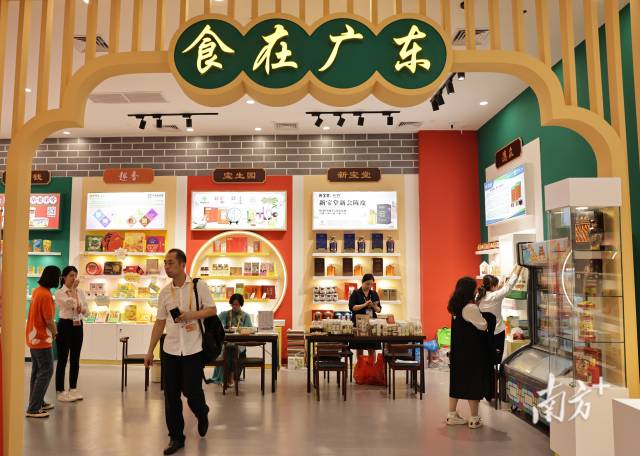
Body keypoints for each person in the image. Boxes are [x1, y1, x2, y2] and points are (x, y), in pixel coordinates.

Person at [143, 249, 217, 455]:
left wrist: (190, 315)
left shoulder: (198, 286)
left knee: (192, 391)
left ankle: (202, 411)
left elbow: (212, 310)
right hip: (170, 350)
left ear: (183, 264)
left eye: (171, 263)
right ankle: (176, 437)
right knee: (171, 397)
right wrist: (150, 351)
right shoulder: (165, 292)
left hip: (194, 349)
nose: (167, 267)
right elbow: (159, 322)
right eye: (165, 263)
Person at [446, 276, 492, 430]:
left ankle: (452, 414)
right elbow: (483, 326)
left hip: (459, 351)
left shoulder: (455, 306)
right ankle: (474, 418)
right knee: (473, 382)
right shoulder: (470, 308)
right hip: (472, 352)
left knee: (457, 382)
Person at [26, 265, 61, 418]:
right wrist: (55, 332)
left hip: (33, 337)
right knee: (46, 371)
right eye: (58, 276)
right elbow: (48, 320)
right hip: (42, 338)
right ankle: (33, 408)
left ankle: (37, 401)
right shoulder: (46, 295)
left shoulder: (37, 291)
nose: (59, 279)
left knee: (37, 371)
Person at [54, 266, 88, 403]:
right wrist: (73, 291)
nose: (74, 278)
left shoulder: (81, 291)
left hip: (78, 325)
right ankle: (60, 390)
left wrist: (80, 306)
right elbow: (72, 305)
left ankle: (73, 388)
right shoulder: (59, 292)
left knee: (75, 358)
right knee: (62, 359)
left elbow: (85, 310)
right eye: (71, 275)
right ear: (64, 277)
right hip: (64, 325)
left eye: (75, 275)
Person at [477, 265, 523, 363]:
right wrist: (519, 267)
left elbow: (501, 288)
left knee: (486, 357)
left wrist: (502, 283)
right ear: (493, 286)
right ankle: (496, 371)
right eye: (496, 286)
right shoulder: (495, 296)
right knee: (497, 358)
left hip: (483, 332)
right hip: (497, 332)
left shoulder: (479, 296)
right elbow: (509, 285)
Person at [209, 293, 252, 385]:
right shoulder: (225, 314)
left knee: (231, 348)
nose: (234, 306)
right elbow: (215, 325)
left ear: (240, 304)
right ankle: (228, 377)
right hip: (226, 343)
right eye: (233, 304)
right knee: (229, 348)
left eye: (237, 304)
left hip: (240, 344)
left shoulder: (246, 316)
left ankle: (228, 377)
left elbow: (249, 330)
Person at [348, 273, 382, 360]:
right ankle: (360, 367)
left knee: (372, 348)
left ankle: (371, 367)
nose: (369, 286)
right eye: (367, 284)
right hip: (359, 324)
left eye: (371, 284)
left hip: (372, 324)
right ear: (362, 282)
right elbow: (352, 307)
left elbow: (379, 310)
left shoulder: (374, 294)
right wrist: (364, 305)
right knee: (360, 348)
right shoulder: (355, 293)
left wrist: (374, 306)